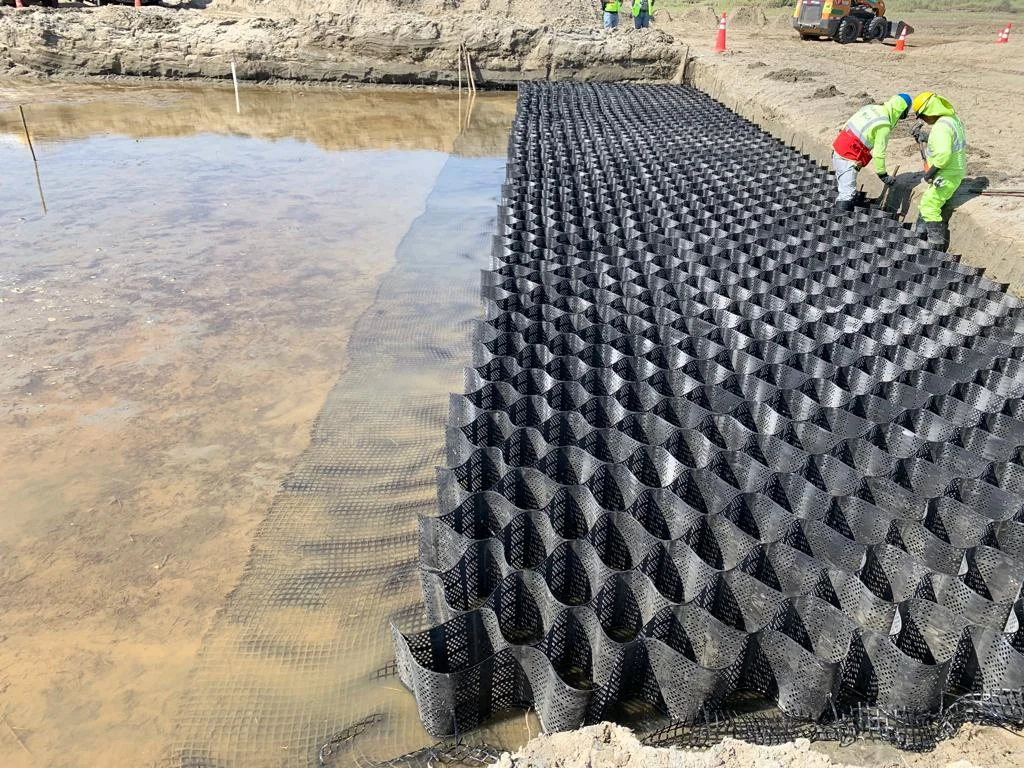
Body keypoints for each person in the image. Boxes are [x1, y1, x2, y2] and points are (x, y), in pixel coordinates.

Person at [831, 93, 912, 213]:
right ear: (902, 112)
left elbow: (846, 124)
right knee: (847, 195)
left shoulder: (870, 108)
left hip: (838, 148)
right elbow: (879, 153)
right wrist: (883, 175)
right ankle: (838, 223)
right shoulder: (884, 124)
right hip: (848, 156)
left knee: (844, 189)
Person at [911, 92, 966, 252]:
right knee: (927, 201)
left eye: (923, 116)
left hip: (947, 173)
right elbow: (945, 141)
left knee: (930, 206)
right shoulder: (951, 120)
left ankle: (935, 247)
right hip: (954, 170)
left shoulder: (941, 126)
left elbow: (942, 156)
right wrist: (925, 137)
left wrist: (929, 173)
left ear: (930, 111)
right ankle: (919, 236)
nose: (923, 120)